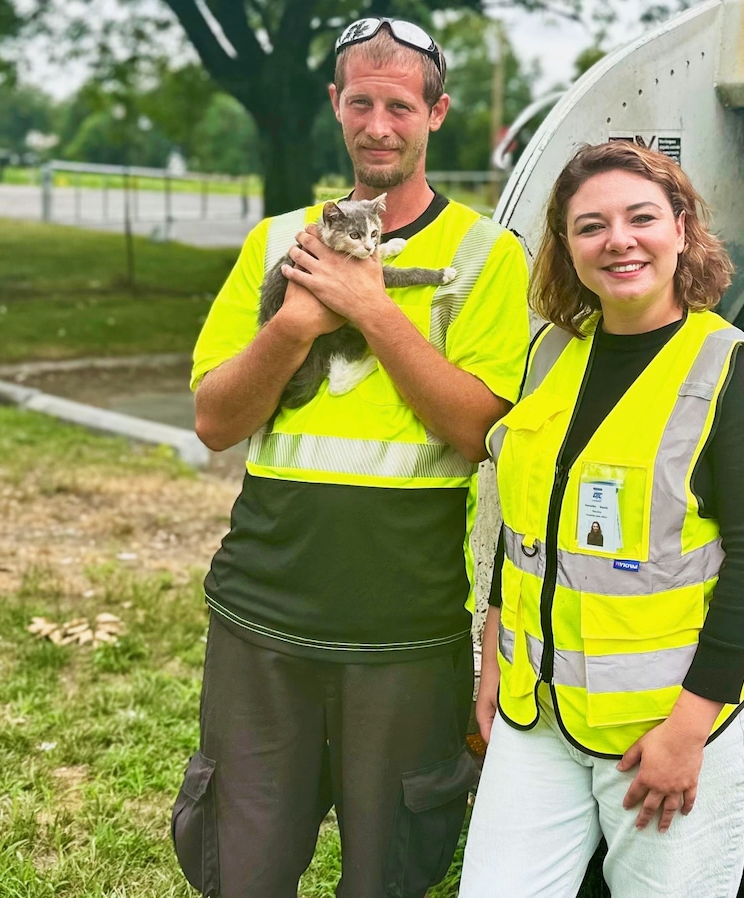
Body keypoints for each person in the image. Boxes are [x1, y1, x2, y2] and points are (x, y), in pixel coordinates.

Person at [170, 17, 529, 898]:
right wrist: (296, 320)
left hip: (403, 626)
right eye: (360, 102)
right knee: (243, 871)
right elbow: (215, 422)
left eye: (400, 105)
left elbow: (480, 431)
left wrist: (369, 309)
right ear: (336, 104)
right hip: (263, 611)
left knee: (386, 875)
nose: (378, 124)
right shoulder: (276, 242)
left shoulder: (487, 257)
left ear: (436, 114)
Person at [459, 141, 744, 897]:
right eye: (590, 226)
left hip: (670, 728)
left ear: (681, 229)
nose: (619, 240)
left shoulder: (733, 374)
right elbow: (523, 522)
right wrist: (494, 646)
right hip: (537, 714)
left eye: (641, 217)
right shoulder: (550, 354)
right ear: (567, 246)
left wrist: (690, 729)